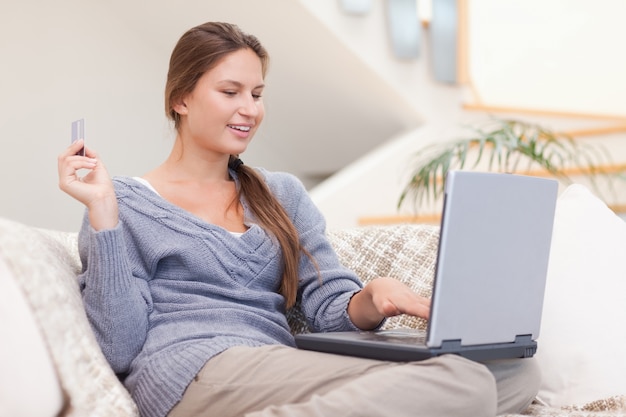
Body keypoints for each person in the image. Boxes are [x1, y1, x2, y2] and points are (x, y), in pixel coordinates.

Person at [58, 21, 540, 417]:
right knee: (463, 384)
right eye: (230, 92)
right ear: (181, 99)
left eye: (257, 93)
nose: (250, 109)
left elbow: (329, 309)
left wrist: (371, 299)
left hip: (277, 362)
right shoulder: (123, 201)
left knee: (513, 375)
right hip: (191, 369)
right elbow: (119, 346)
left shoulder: (281, 193)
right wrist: (102, 213)